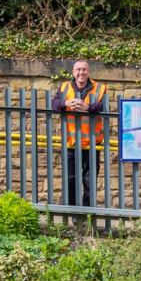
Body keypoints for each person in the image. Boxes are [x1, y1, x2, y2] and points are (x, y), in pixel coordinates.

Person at [51, 59, 107, 206]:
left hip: (92, 144)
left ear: (88, 72)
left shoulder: (100, 88)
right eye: (78, 70)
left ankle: (87, 210)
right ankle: (73, 209)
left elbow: (103, 106)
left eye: (84, 69)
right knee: (70, 179)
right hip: (71, 143)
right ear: (73, 72)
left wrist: (87, 107)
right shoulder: (64, 87)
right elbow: (54, 104)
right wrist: (66, 103)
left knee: (90, 180)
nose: (81, 72)